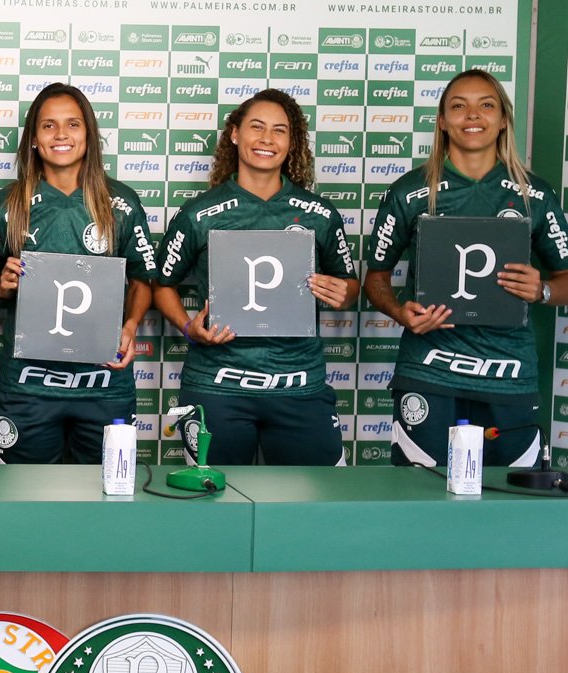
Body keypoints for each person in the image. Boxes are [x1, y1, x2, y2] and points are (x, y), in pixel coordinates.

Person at [364, 69, 568, 466]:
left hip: (509, 376)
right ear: (442, 121)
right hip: (429, 372)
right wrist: (399, 311)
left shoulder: (535, 194)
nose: (472, 115)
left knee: (508, 499)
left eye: (486, 105)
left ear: (504, 119)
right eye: (459, 106)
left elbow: (565, 280)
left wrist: (542, 290)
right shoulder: (408, 191)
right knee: (418, 495)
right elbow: (376, 277)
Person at [153, 88, 359, 466]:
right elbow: (161, 284)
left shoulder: (319, 214)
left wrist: (342, 292)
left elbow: (350, 286)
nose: (267, 138)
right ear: (235, 134)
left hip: (299, 384)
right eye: (257, 127)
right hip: (216, 385)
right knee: (212, 496)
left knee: (319, 496)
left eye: (280, 130)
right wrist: (188, 328)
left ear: (292, 143)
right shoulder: (199, 213)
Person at [0, 83, 158, 464]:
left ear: (89, 135)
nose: (61, 135)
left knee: (106, 493)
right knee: (20, 492)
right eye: (49, 125)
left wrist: (130, 326)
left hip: (104, 381)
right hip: (28, 384)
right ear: (33, 139)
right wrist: (3, 284)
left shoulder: (121, 203)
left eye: (73, 124)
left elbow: (143, 280)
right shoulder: (9, 205)